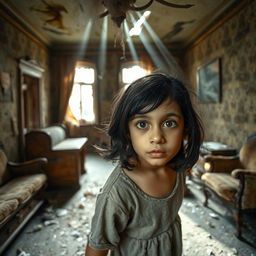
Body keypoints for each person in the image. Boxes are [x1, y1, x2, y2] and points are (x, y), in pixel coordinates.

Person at [85, 73, 204, 256]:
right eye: (142, 124)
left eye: (169, 123)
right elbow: (97, 248)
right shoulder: (118, 193)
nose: (157, 137)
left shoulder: (178, 166)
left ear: (186, 128)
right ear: (126, 131)